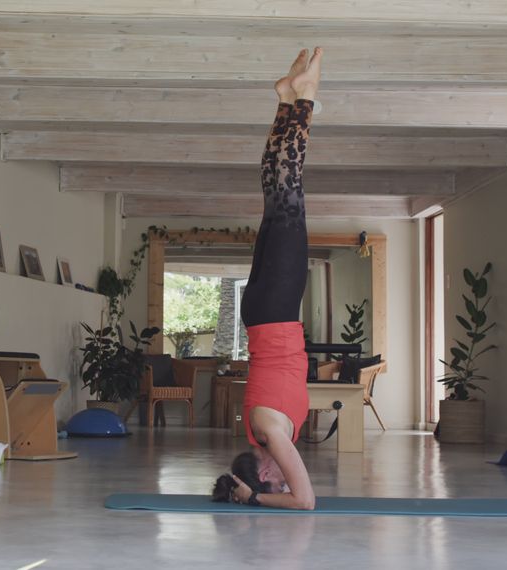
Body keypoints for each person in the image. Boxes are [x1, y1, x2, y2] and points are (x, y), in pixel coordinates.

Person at [211, 47, 323, 510]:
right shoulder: (261, 430)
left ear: (262, 472)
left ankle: (305, 99)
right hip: (262, 317)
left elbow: (306, 502)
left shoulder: (270, 434)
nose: (284, 478)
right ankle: (287, 101)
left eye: (273, 481)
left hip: (274, 314)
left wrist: (255, 500)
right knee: (278, 197)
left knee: (289, 195)